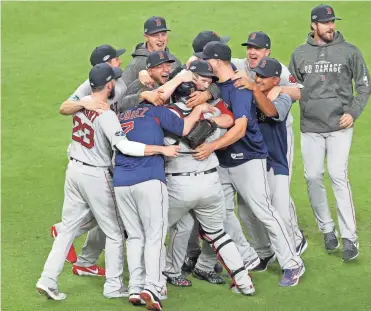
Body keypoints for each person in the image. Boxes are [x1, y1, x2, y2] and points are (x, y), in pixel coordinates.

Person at [36, 63, 166, 300]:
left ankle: (47, 279)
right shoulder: (106, 114)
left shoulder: (81, 104)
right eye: (114, 81)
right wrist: (159, 149)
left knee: (67, 229)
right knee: (115, 232)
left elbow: (66, 107)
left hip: (74, 171)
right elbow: (124, 146)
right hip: (96, 176)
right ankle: (114, 286)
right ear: (108, 85)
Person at [195, 41, 305, 287]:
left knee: (263, 211)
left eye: (207, 61)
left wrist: (212, 146)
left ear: (216, 62)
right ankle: (247, 256)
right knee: (220, 214)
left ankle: (293, 263)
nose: (204, 65)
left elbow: (241, 128)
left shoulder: (241, 87)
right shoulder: (218, 87)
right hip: (223, 162)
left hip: (249, 158)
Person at [113, 85, 217, 310]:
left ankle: (135, 288)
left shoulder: (120, 116)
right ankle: (152, 287)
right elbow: (185, 128)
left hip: (121, 182)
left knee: (134, 237)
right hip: (149, 179)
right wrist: (199, 109)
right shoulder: (156, 112)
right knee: (154, 236)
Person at [288, 4, 371, 261]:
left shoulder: (349, 51)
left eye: (332, 21)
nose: (330, 26)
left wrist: (353, 112)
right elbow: (291, 88)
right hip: (311, 127)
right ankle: (327, 229)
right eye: (325, 22)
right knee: (313, 176)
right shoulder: (300, 54)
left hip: (339, 126)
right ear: (314, 25)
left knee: (337, 175)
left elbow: (364, 86)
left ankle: (349, 238)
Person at [231, 32, 307, 271]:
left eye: (258, 48)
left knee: (279, 207)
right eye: (250, 47)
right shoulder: (242, 68)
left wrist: (269, 90)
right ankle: (264, 253)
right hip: (252, 156)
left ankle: (294, 244)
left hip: (275, 155)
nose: (252, 52)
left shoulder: (280, 77)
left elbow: (284, 103)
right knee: (247, 209)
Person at [52, 44, 127, 277]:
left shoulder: (114, 80)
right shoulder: (92, 86)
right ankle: (68, 234)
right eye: (116, 59)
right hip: (94, 159)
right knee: (113, 217)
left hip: (99, 155)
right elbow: (64, 108)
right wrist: (84, 102)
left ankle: (84, 259)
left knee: (104, 213)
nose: (120, 62)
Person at [162, 60, 234, 286]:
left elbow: (229, 118)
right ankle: (162, 270)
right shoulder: (166, 107)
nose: (204, 86)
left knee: (216, 224)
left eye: (208, 81)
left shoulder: (209, 100)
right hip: (177, 176)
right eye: (200, 81)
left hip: (207, 175)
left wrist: (208, 119)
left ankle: (200, 266)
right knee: (171, 227)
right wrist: (201, 114)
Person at [122, 16, 181, 87]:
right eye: (155, 35)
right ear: (146, 37)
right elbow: (123, 94)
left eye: (163, 34)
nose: (161, 39)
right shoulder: (135, 65)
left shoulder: (174, 60)